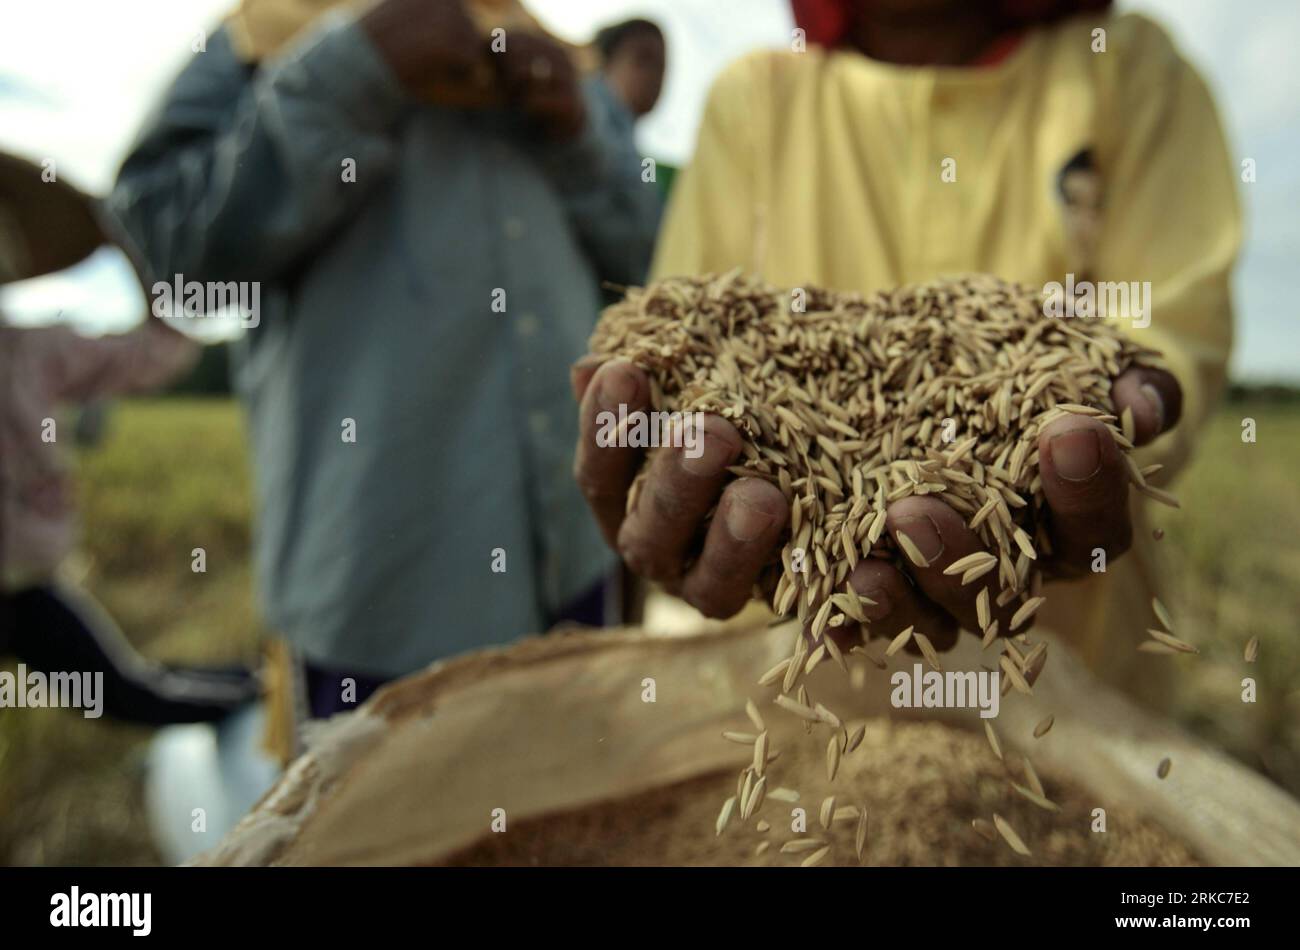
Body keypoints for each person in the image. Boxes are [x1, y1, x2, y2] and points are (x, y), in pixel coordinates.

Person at [571, 0, 1239, 699]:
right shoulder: (757, 95)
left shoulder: (1126, 67)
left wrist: (1110, 433)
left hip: (1068, 666)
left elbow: (1172, 326)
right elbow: (687, 329)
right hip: (781, 673)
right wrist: (665, 452)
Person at [110, 0, 662, 724]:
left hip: (580, 568)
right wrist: (351, 72)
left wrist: (579, 135)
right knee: (384, 834)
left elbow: (651, 257)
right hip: (380, 599)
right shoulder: (264, 33)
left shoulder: (566, 62)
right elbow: (167, 254)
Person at [0, 151, 260, 725]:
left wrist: (133, 251)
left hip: (19, 584)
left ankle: (261, 699)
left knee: (125, 693)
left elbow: (157, 352)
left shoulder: (34, 350)